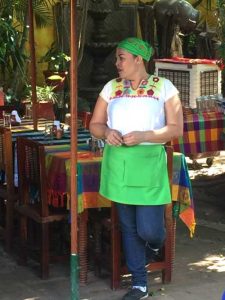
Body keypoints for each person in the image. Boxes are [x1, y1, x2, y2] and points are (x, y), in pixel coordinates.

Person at [89, 37, 183, 300]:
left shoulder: (164, 87)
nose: (116, 63)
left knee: (149, 230)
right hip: (118, 164)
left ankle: (155, 246)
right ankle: (139, 285)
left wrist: (144, 135)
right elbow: (94, 125)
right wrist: (106, 131)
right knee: (129, 228)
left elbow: (176, 129)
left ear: (138, 59)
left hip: (149, 166)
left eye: (121, 58)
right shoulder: (111, 88)